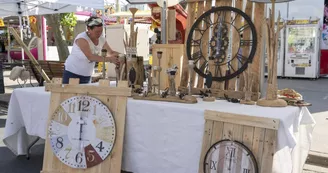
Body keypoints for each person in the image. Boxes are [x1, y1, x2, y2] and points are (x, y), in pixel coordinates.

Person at [62, 16, 119, 84]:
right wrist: (110, 59)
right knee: (70, 94)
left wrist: (123, 56)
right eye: (97, 31)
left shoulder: (101, 39)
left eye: (101, 31)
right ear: (89, 29)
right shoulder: (82, 39)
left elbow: (111, 52)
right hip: (72, 73)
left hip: (87, 74)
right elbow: (90, 57)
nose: (99, 33)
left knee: (85, 94)